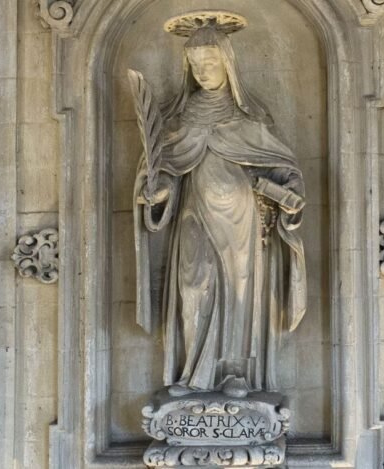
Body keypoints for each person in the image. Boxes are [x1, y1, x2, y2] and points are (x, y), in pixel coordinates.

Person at [131, 11, 307, 393]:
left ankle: (234, 375)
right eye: (195, 65)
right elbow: (165, 172)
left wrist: (291, 194)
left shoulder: (250, 116)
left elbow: (282, 168)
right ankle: (193, 376)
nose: (203, 71)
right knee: (193, 288)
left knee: (240, 293)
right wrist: (158, 191)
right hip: (194, 216)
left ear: (228, 62)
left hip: (242, 223)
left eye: (210, 62)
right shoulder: (177, 119)